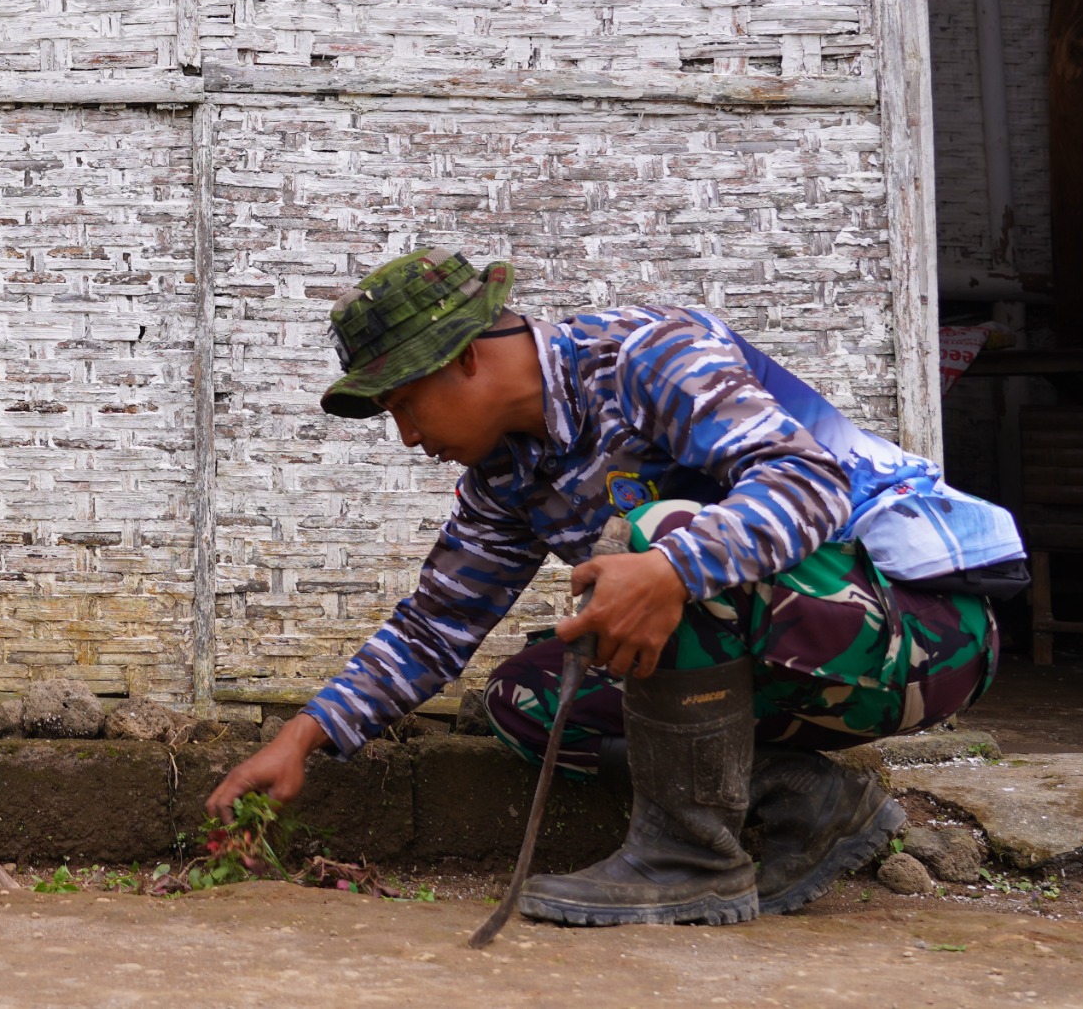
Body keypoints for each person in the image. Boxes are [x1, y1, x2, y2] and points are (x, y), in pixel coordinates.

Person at [205, 249, 1025, 927]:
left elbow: (808, 483)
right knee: (526, 698)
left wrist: (671, 567)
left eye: (406, 405)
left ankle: (690, 859)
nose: (409, 436)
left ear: (464, 358)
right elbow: (435, 625)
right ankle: (807, 801)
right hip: (790, 657)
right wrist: (304, 736)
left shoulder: (647, 358)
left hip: (919, 635)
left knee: (655, 537)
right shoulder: (505, 476)